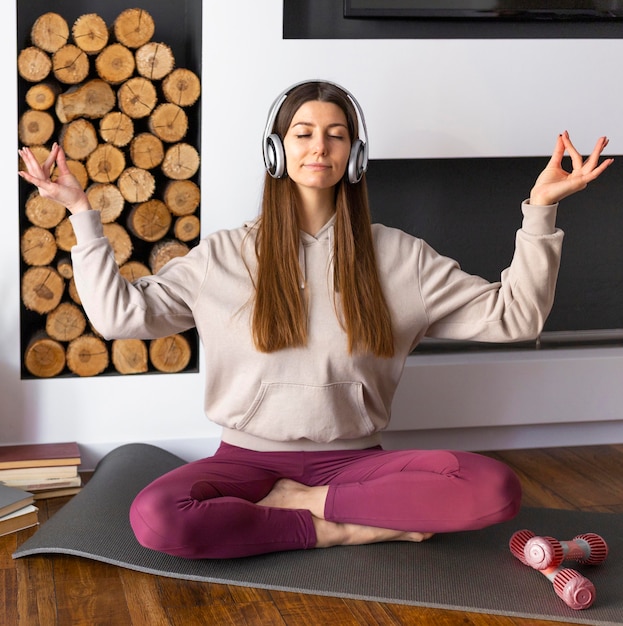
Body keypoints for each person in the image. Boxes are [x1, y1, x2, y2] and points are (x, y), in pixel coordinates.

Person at [18, 80, 613, 560]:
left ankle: (308, 505)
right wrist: (81, 213)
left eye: (335, 135)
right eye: (302, 133)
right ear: (277, 150)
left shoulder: (399, 256)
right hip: (243, 462)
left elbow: (515, 318)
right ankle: (340, 529)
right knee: (155, 518)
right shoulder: (225, 256)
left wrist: (541, 212)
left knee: (493, 489)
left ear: (353, 154)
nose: (318, 147)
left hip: (358, 464)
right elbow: (120, 316)